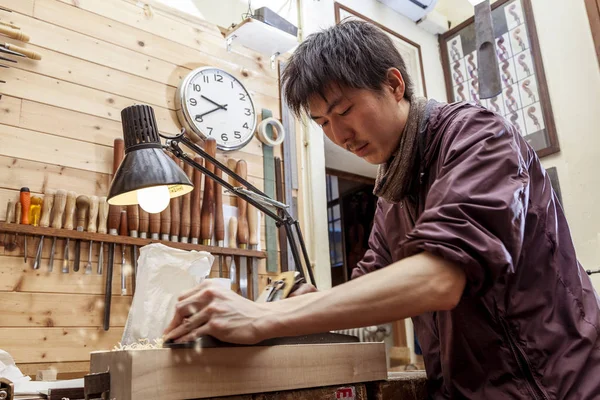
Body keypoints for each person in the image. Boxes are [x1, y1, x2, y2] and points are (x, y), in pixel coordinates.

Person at [163, 20, 600, 398]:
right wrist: (306, 303)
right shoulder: (391, 196)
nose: (339, 135)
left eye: (344, 110)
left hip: (552, 387)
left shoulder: (475, 135)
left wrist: (263, 317)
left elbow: (440, 278)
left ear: (394, 85)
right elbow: (371, 285)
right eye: (322, 123)